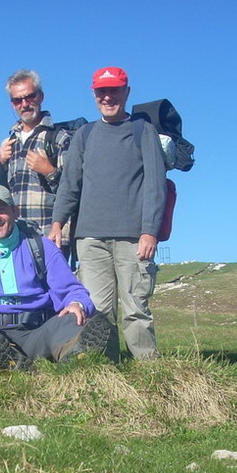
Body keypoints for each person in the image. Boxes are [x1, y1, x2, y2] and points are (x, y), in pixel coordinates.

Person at [50, 67, 166, 361]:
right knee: (97, 310)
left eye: (114, 90)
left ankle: (149, 371)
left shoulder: (143, 131)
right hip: (89, 238)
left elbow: (155, 184)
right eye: (102, 91)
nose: (108, 97)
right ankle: (107, 371)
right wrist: (57, 223)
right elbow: (70, 184)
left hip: (133, 238)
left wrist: (149, 230)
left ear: (126, 93)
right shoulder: (85, 135)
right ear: (94, 95)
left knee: (135, 308)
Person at [0, 184, 111, 370]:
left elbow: (71, 289)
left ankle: (73, 351)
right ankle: (9, 361)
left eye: (1, 210)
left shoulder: (42, 246)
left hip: (39, 329)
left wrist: (77, 303)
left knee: (72, 318)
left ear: (15, 211)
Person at [0, 69, 77, 240]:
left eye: (29, 97)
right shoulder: (10, 142)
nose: (24, 104)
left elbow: (72, 189)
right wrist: (0, 164)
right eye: (17, 100)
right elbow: (3, 194)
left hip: (51, 236)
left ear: (41, 97)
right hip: (17, 237)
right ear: (13, 104)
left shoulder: (60, 138)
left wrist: (49, 171)